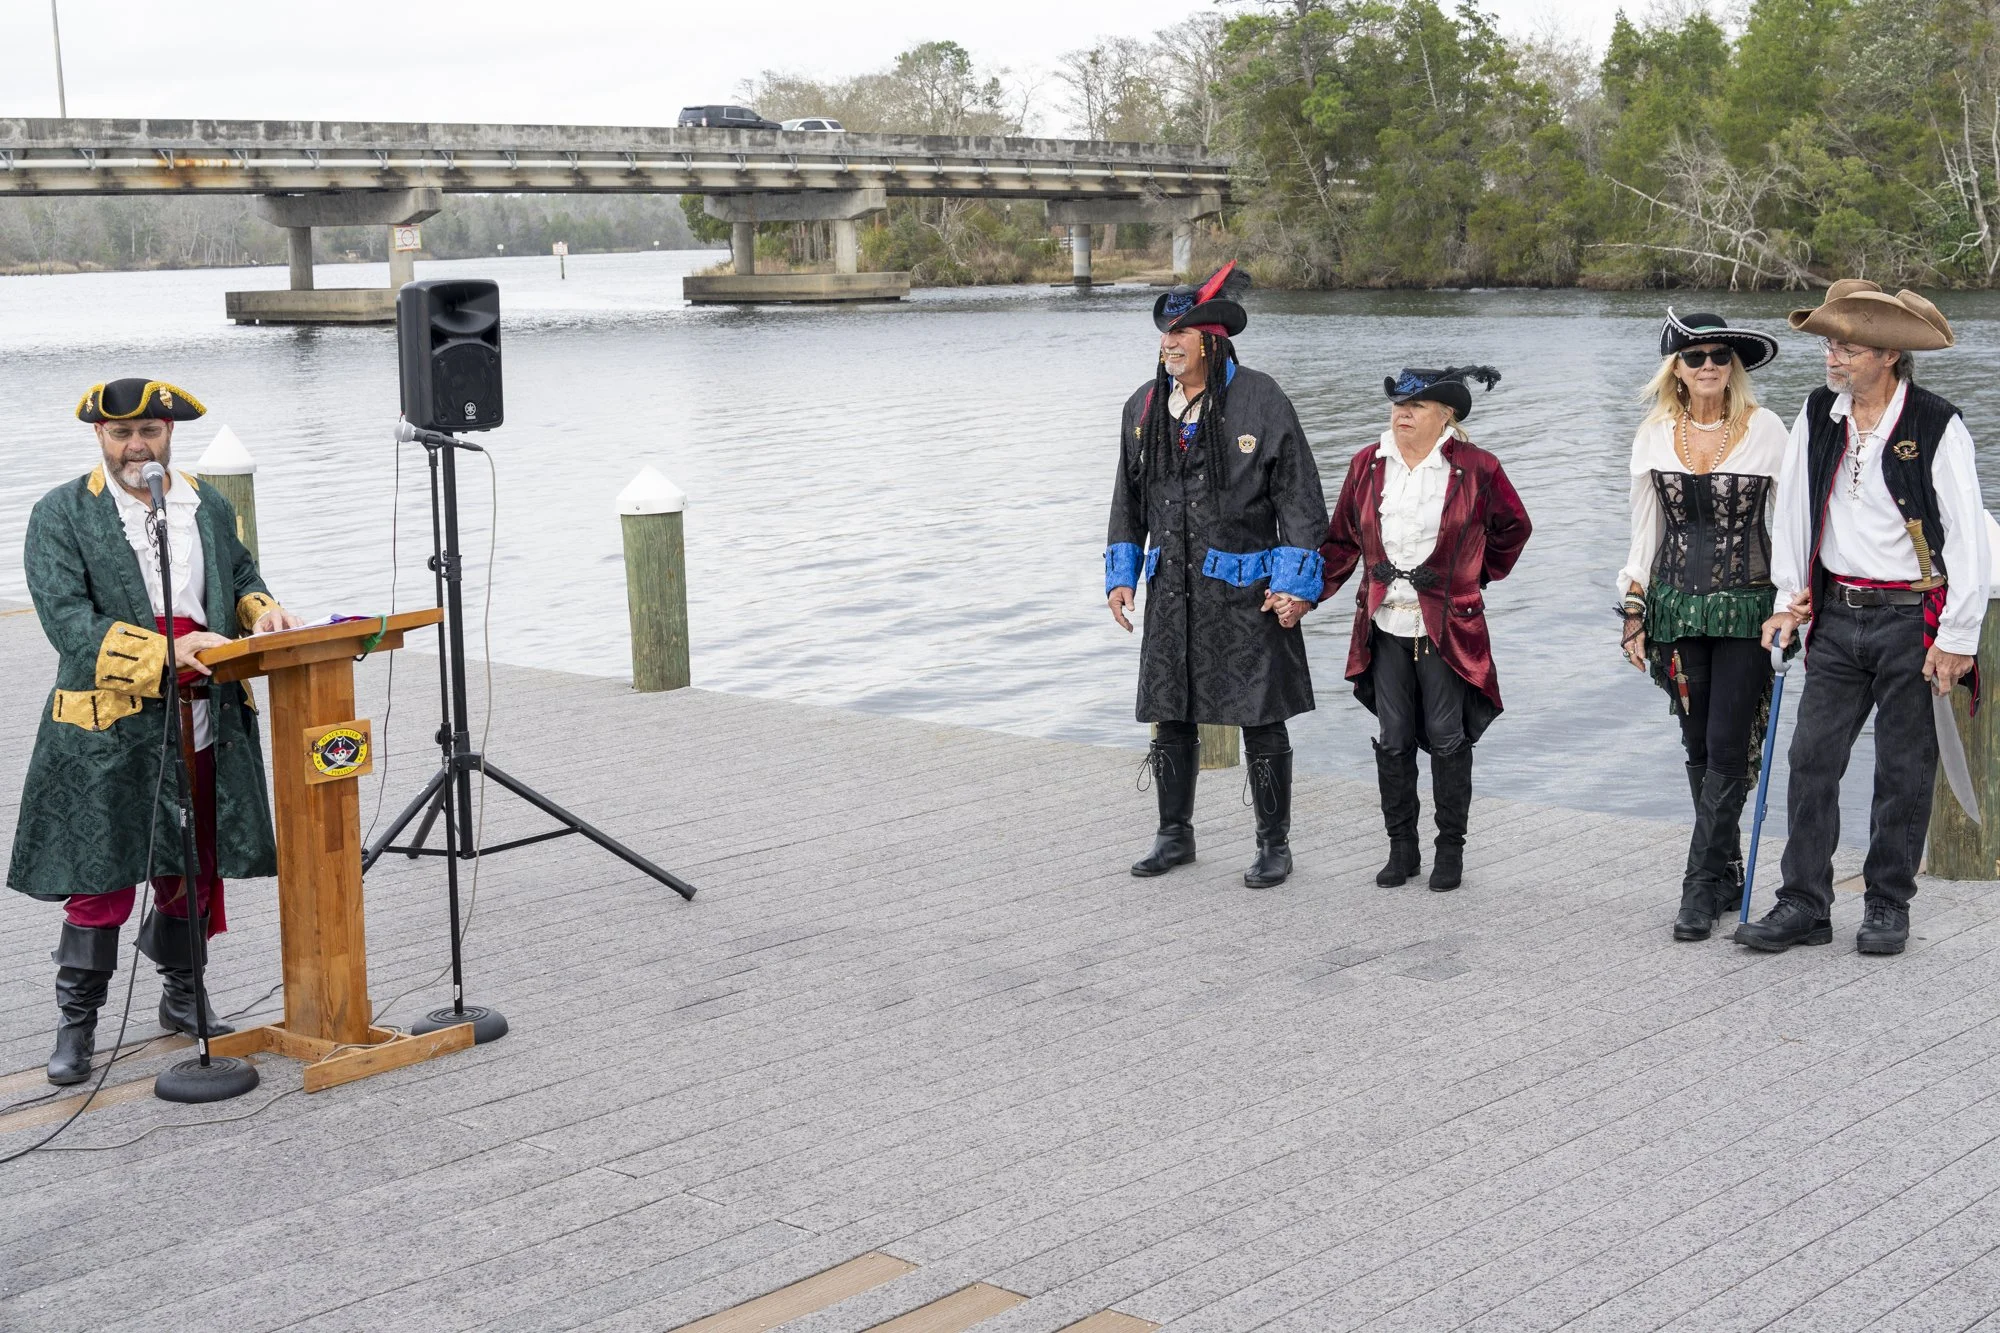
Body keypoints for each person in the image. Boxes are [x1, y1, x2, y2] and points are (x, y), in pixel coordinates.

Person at [9, 379, 301, 1084]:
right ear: (99, 436)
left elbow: (240, 575)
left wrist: (261, 611)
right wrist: (167, 650)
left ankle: (183, 997)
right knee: (101, 875)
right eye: (122, 434)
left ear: (171, 433)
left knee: (191, 862)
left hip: (204, 710)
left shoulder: (205, 504)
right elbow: (67, 623)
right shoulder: (60, 513)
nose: (137, 446)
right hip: (107, 723)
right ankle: (76, 1026)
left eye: (150, 431)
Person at [1743, 281, 1988, 955]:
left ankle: (1886, 903)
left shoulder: (1936, 423)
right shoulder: (1818, 413)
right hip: (1837, 616)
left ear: (1887, 355)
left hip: (1912, 618)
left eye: (1847, 348)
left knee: (1903, 768)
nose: (1833, 357)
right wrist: (1788, 599)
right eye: (1830, 344)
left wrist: (1957, 636)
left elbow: (1968, 537)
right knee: (1810, 758)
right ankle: (1804, 902)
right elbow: (1795, 510)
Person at [1105, 262, 1330, 889]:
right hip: (1171, 591)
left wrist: (1296, 587)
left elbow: (1301, 500)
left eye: (1181, 333)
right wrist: (1122, 576)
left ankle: (1273, 845)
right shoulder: (1143, 407)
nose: (1169, 343)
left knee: (1262, 716)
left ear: (1211, 340)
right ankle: (1174, 834)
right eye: (1164, 334)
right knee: (1171, 711)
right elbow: (1128, 500)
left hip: (1248, 591)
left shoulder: (1261, 398)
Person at [1318, 367, 1531, 891]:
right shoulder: (1367, 464)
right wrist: (1303, 594)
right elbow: (1342, 541)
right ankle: (1402, 848)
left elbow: (1514, 528)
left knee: (1446, 735)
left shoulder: (1477, 467)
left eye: (1416, 406)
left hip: (1448, 626)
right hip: (1383, 622)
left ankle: (1449, 850)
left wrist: (1471, 573)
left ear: (1446, 416)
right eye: (1399, 405)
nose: (1403, 414)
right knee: (1393, 738)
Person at [1616, 310, 1789, 941]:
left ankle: (1697, 887)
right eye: (1695, 357)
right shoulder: (1655, 434)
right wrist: (1633, 610)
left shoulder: (1767, 429)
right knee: (1697, 745)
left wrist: (1790, 603)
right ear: (1677, 371)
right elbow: (1644, 531)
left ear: (1734, 367)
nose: (1709, 365)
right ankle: (1726, 874)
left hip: (1747, 610)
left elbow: (1789, 526)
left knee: (1726, 745)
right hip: (1675, 610)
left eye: (1720, 356)